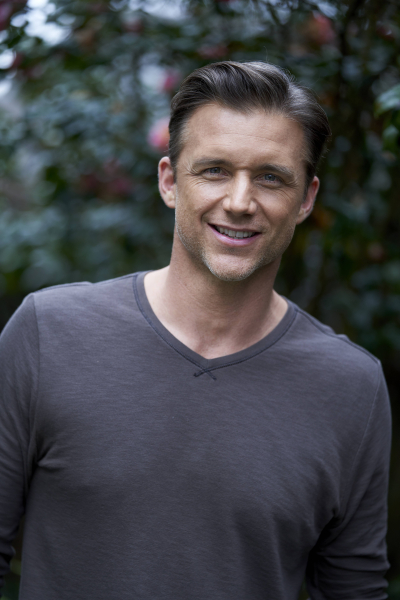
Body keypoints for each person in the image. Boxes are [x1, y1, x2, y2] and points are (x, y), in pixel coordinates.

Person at [0, 61, 391, 600]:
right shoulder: (48, 334)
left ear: (306, 199)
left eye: (271, 177)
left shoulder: (351, 387)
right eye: (214, 170)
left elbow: (355, 589)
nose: (239, 202)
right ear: (169, 181)